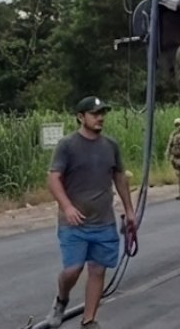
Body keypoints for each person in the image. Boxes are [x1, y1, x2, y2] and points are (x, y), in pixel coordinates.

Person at [46, 97, 135, 329]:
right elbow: (54, 178)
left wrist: (129, 210)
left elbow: (119, 177)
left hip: (103, 221)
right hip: (74, 223)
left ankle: (89, 320)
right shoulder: (67, 145)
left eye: (102, 113)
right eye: (95, 113)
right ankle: (61, 300)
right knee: (73, 269)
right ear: (80, 116)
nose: (100, 117)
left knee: (97, 270)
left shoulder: (111, 146)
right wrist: (67, 206)